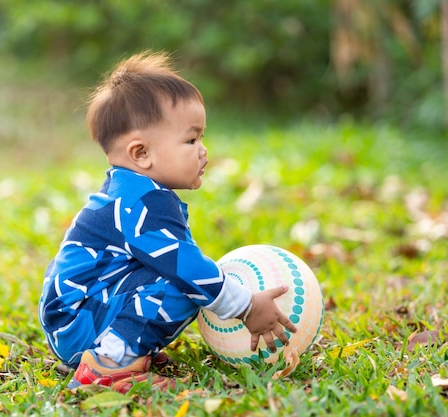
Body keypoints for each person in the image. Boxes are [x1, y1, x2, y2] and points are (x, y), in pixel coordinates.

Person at [38, 51, 297, 393]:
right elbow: (186, 267)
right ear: (141, 154)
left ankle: (123, 348)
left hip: (77, 316)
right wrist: (246, 305)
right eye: (191, 140)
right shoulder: (141, 202)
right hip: (79, 320)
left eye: (201, 137)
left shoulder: (131, 191)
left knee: (187, 278)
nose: (203, 150)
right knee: (186, 282)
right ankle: (110, 364)